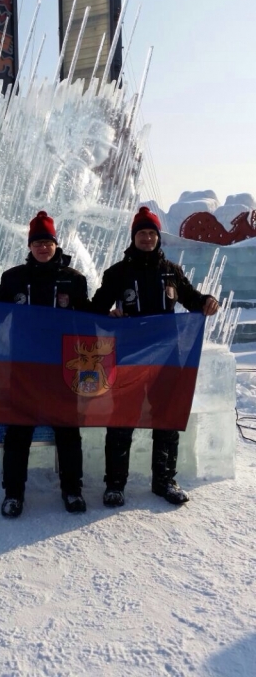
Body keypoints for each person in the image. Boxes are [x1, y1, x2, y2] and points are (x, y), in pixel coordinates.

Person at [92, 206, 219, 507]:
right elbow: (94, 309)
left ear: (158, 237)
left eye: (151, 233)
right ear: (133, 237)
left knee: (166, 418)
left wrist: (208, 301)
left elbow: (191, 300)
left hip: (166, 357)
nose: (147, 238)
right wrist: (108, 314)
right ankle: (115, 485)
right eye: (142, 233)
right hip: (129, 357)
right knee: (121, 420)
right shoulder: (118, 273)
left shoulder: (171, 271)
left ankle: (164, 481)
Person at [0, 210, 89, 518]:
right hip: (23, 368)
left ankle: (72, 490)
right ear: (30, 246)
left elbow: (88, 316)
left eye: (48, 242)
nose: (43, 248)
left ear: (56, 244)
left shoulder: (74, 281)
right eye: (38, 243)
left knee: (68, 432)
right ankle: (13, 494)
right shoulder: (14, 278)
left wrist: (111, 317)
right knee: (18, 433)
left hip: (64, 367)